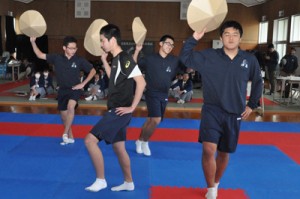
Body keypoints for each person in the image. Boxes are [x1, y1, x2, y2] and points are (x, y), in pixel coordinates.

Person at [179, 20, 262, 199]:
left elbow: (258, 82)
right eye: (227, 34)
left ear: (240, 38)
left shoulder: (249, 60)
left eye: (235, 34)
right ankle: (211, 189)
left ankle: (216, 182)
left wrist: (252, 105)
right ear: (220, 37)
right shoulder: (210, 55)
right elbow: (185, 57)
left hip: (234, 113)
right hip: (212, 110)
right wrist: (194, 38)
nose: (231, 38)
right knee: (209, 149)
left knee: (224, 153)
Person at [84, 24, 146, 192]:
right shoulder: (117, 59)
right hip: (117, 110)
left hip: (119, 111)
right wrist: (104, 61)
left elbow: (141, 82)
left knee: (89, 141)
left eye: (103, 40)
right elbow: (114, 79)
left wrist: (132, 107)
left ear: (112, 40)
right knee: (119, 147)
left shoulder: (125, 58)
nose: (101, 44)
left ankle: (101, 179)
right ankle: (129, 182)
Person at [30, 36, 96, 145]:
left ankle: (64, 133)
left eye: (75, 48)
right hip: (62, 90)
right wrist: (33, 42)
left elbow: (93, 71)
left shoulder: (79, 60)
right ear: (64, 48)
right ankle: (70, 137)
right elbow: (39, 55)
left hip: (75, 89)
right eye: (71, 48)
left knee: (71, 107)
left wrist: (83, 83)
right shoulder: (56, 58)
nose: (73, 50)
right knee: (64, 118)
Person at [133, 34, 182, 156]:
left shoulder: (174, 60)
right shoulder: (150, 58)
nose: (169, 46)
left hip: (164, 94)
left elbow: (186, 66)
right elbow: (134, 65)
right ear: (160, 44)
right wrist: (137, 51)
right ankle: (145, 141)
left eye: (172, 45)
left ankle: (139, 140)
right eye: (167, 43)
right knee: (156, 119)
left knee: (150, 120)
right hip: (151, 93)